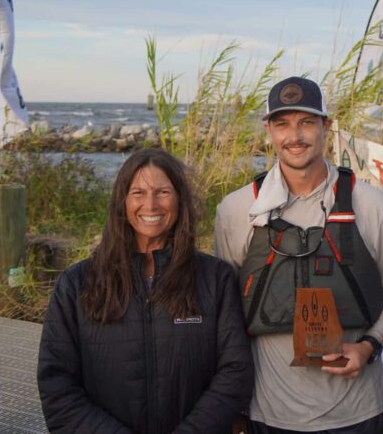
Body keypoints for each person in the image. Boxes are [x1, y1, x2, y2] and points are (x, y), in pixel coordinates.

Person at [214, 76, 383, 433]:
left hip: (360, 414)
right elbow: (224, 314)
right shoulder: (238, 209)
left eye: (307, 122)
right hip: (269, 415)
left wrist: (368, 347)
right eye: (283, 124)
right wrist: (233, 408)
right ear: (269, 130)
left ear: (327, 126)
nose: (295, 136)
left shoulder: (368, 204)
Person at [38, 147, 254, 433]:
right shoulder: (76, 284)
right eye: (138, 193)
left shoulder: (216, 279)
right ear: (122, 202)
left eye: (163, 192)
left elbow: (235, 372)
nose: (150, 205)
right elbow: (57, 384)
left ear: (180, 199)